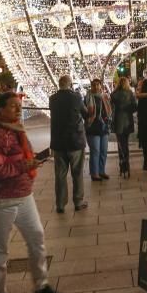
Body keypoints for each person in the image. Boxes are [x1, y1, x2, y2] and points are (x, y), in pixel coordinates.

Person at [0, 92, 64, 293]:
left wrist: (32, 161)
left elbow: (21, 160)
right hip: (1, 200)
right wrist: (23, 165)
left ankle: (41, 287)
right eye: (13, 107)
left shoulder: (18, 132)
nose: (18, 110)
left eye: (20, 106)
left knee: (36, 236)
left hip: (23, 195)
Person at [49, 75, 88, 213]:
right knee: (77, 173)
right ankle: (78, 201)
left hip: (59, 142)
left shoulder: (52, 99)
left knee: (60, 175)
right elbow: (85, 113)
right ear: (70, 84)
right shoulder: (76, 97)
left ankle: (60, 204)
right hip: (75, 140)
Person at [84, 78, 110, 182]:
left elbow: (109, 110)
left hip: (104, 127)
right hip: (92, 127)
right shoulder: (87, 98)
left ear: (101, 86)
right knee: (95, 151)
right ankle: (94, 173)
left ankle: (101, 171)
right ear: (91, 86)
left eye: (97, 85)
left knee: (103, 151)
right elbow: (85, 113)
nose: (96, 87)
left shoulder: (104, 97)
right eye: (93, 85)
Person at [111, 76, 137, 177]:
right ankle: (127, 164)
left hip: (117, 121)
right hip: (127, 122)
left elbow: (111, 108)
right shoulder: (130, 94)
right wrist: (128, 110)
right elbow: (135, 107)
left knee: (120, 145)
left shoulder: (113, 94)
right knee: (125, 144)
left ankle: (122, 165)